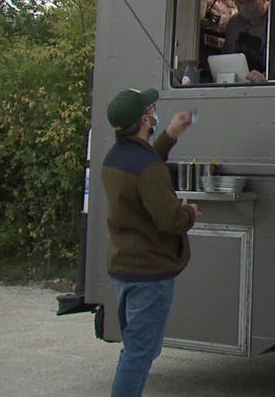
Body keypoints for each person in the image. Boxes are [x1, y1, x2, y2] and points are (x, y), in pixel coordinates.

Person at [102, 88, 200, 396]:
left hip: (124, 268)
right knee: (140, 352)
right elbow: (169, 220)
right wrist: (189, 212)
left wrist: (170, 134)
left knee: (137, 347)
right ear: (146, 119)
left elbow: (145, 168)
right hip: (149, 275)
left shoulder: (115, 159)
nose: (155, 112)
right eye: (152, 109)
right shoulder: (147, 167)